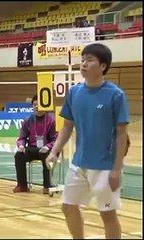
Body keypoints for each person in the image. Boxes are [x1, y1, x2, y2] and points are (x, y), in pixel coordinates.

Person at [46, 43, 129, 239]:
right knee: (68, 207)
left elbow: (121, 133)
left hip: (105, 167)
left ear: (102, 66)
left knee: (107, 214)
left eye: (90, 60)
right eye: (82, 59)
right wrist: (54, 151)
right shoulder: (74, 92)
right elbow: (67, 126)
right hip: (79, 164)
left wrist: (116, 169)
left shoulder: (115, 95)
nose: (83, 64)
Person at [13, 95, 58, 194]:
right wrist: (21, 145)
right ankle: (22, 185)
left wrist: (48, 147)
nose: (36, 107)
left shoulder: (52, 121)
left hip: (47, 149)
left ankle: (47, 186)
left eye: (39, 105)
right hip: (32, 148)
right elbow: (22, 138)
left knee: (47, 156)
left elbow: (56, 139)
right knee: (19, 156)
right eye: (34, 105)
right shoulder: (28, 120)